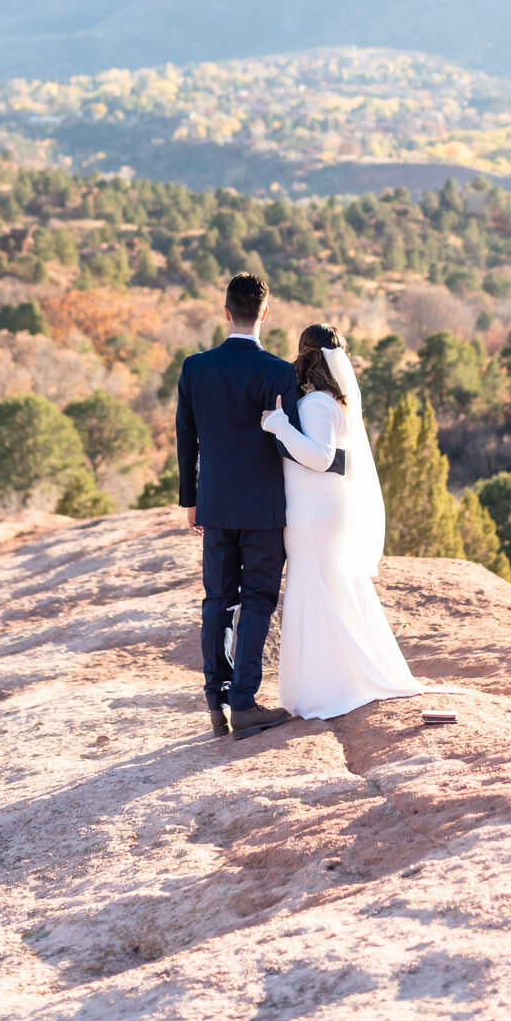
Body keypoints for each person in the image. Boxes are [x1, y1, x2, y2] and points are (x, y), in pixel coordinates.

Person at [176, 272, 343, 740]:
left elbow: (185, 437)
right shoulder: (277, 372)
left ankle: (216, 702)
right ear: (264, 313)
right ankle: (244, 704)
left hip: (214, 503)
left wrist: (192, 500)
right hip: (267, 508)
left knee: (216, 600)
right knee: (257, 601)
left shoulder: (195, 367)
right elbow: (290, 444)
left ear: (226, 310)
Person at [261, 324, 420, 720]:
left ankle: (326, 690)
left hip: (313, 514)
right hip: (322, 510)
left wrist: (279, 426)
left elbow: (318, 456)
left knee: (316, 594)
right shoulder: (333, 400)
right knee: (326, 593)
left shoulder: (316, 403)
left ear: (305, 356)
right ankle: (336, 681)